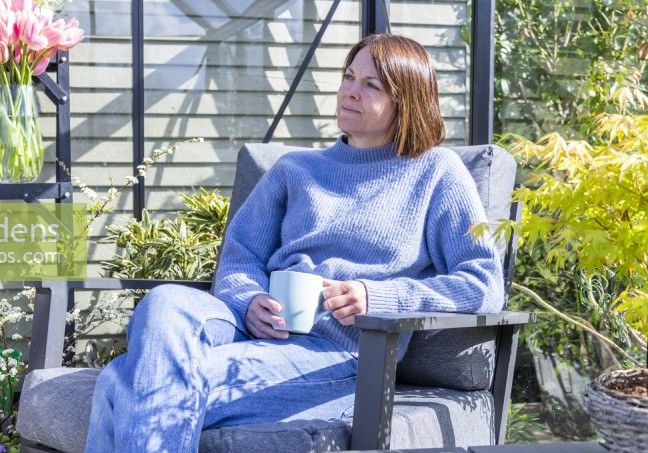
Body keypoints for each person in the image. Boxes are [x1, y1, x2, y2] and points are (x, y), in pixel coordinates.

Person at [84, 33, 504, 453]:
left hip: (341, 353)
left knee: (121, 382)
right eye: (348, 76)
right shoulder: (295, 169)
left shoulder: (436, 172)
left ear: (406, 100)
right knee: (163, 302)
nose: (350, 91)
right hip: (250, 328)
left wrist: (375, 295)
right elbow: (240, 256)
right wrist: (249, 301)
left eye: (371, 85)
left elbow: (484, 284)